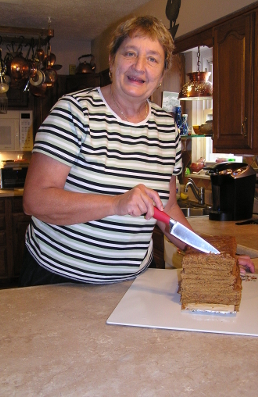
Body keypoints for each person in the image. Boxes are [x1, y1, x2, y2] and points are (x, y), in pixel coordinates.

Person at [19, 15, 255, 287]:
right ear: (112, 60)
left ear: (162, 73)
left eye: (152, 59)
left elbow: (166, 208)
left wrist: (215, 255)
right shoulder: (74, 112)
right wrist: (116, 203)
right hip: (57, 277)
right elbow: (35, 200)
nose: (139, 67)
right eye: (130, 53)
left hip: (129, 283)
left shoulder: (167, 128)